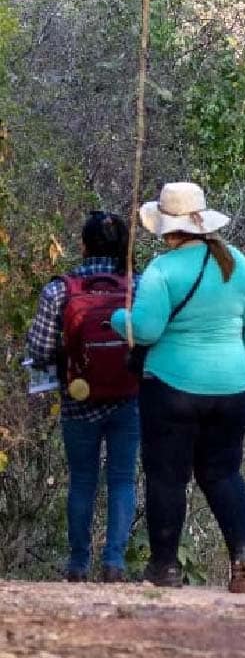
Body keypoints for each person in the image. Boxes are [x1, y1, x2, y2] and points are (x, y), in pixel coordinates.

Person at [112, 182, 245, 593]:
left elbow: (145, 330)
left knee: (167, 476)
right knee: (223, 473)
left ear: (166, 228)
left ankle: (164, 568)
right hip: (233, 386)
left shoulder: (163, 270)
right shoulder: (240, 265)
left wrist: (117, 318)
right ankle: (242, 555)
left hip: (172, 387)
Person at [26, 212, 139, 583]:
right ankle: (114, 563)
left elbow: (40, 349)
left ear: (84, 244)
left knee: (82, 480)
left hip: (79, 398)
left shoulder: (60, 289)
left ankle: (77, 564)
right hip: (127, 397)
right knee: (122, 479)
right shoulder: (135, 287)